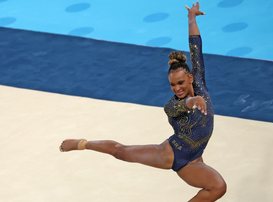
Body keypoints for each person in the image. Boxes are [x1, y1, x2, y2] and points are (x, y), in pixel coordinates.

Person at [60, 2, 226, 201]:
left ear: (190, 77)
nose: (177, 88)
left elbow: (196, 49)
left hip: (196, 157)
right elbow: (177, 107)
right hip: (175, 154)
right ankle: (82, 144)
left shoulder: (199, 81)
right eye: (172, 85)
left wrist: (191, 19)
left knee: (218, 188)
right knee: (120, 151)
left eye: (180, 82)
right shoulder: (172, 106)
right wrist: (191, 102)